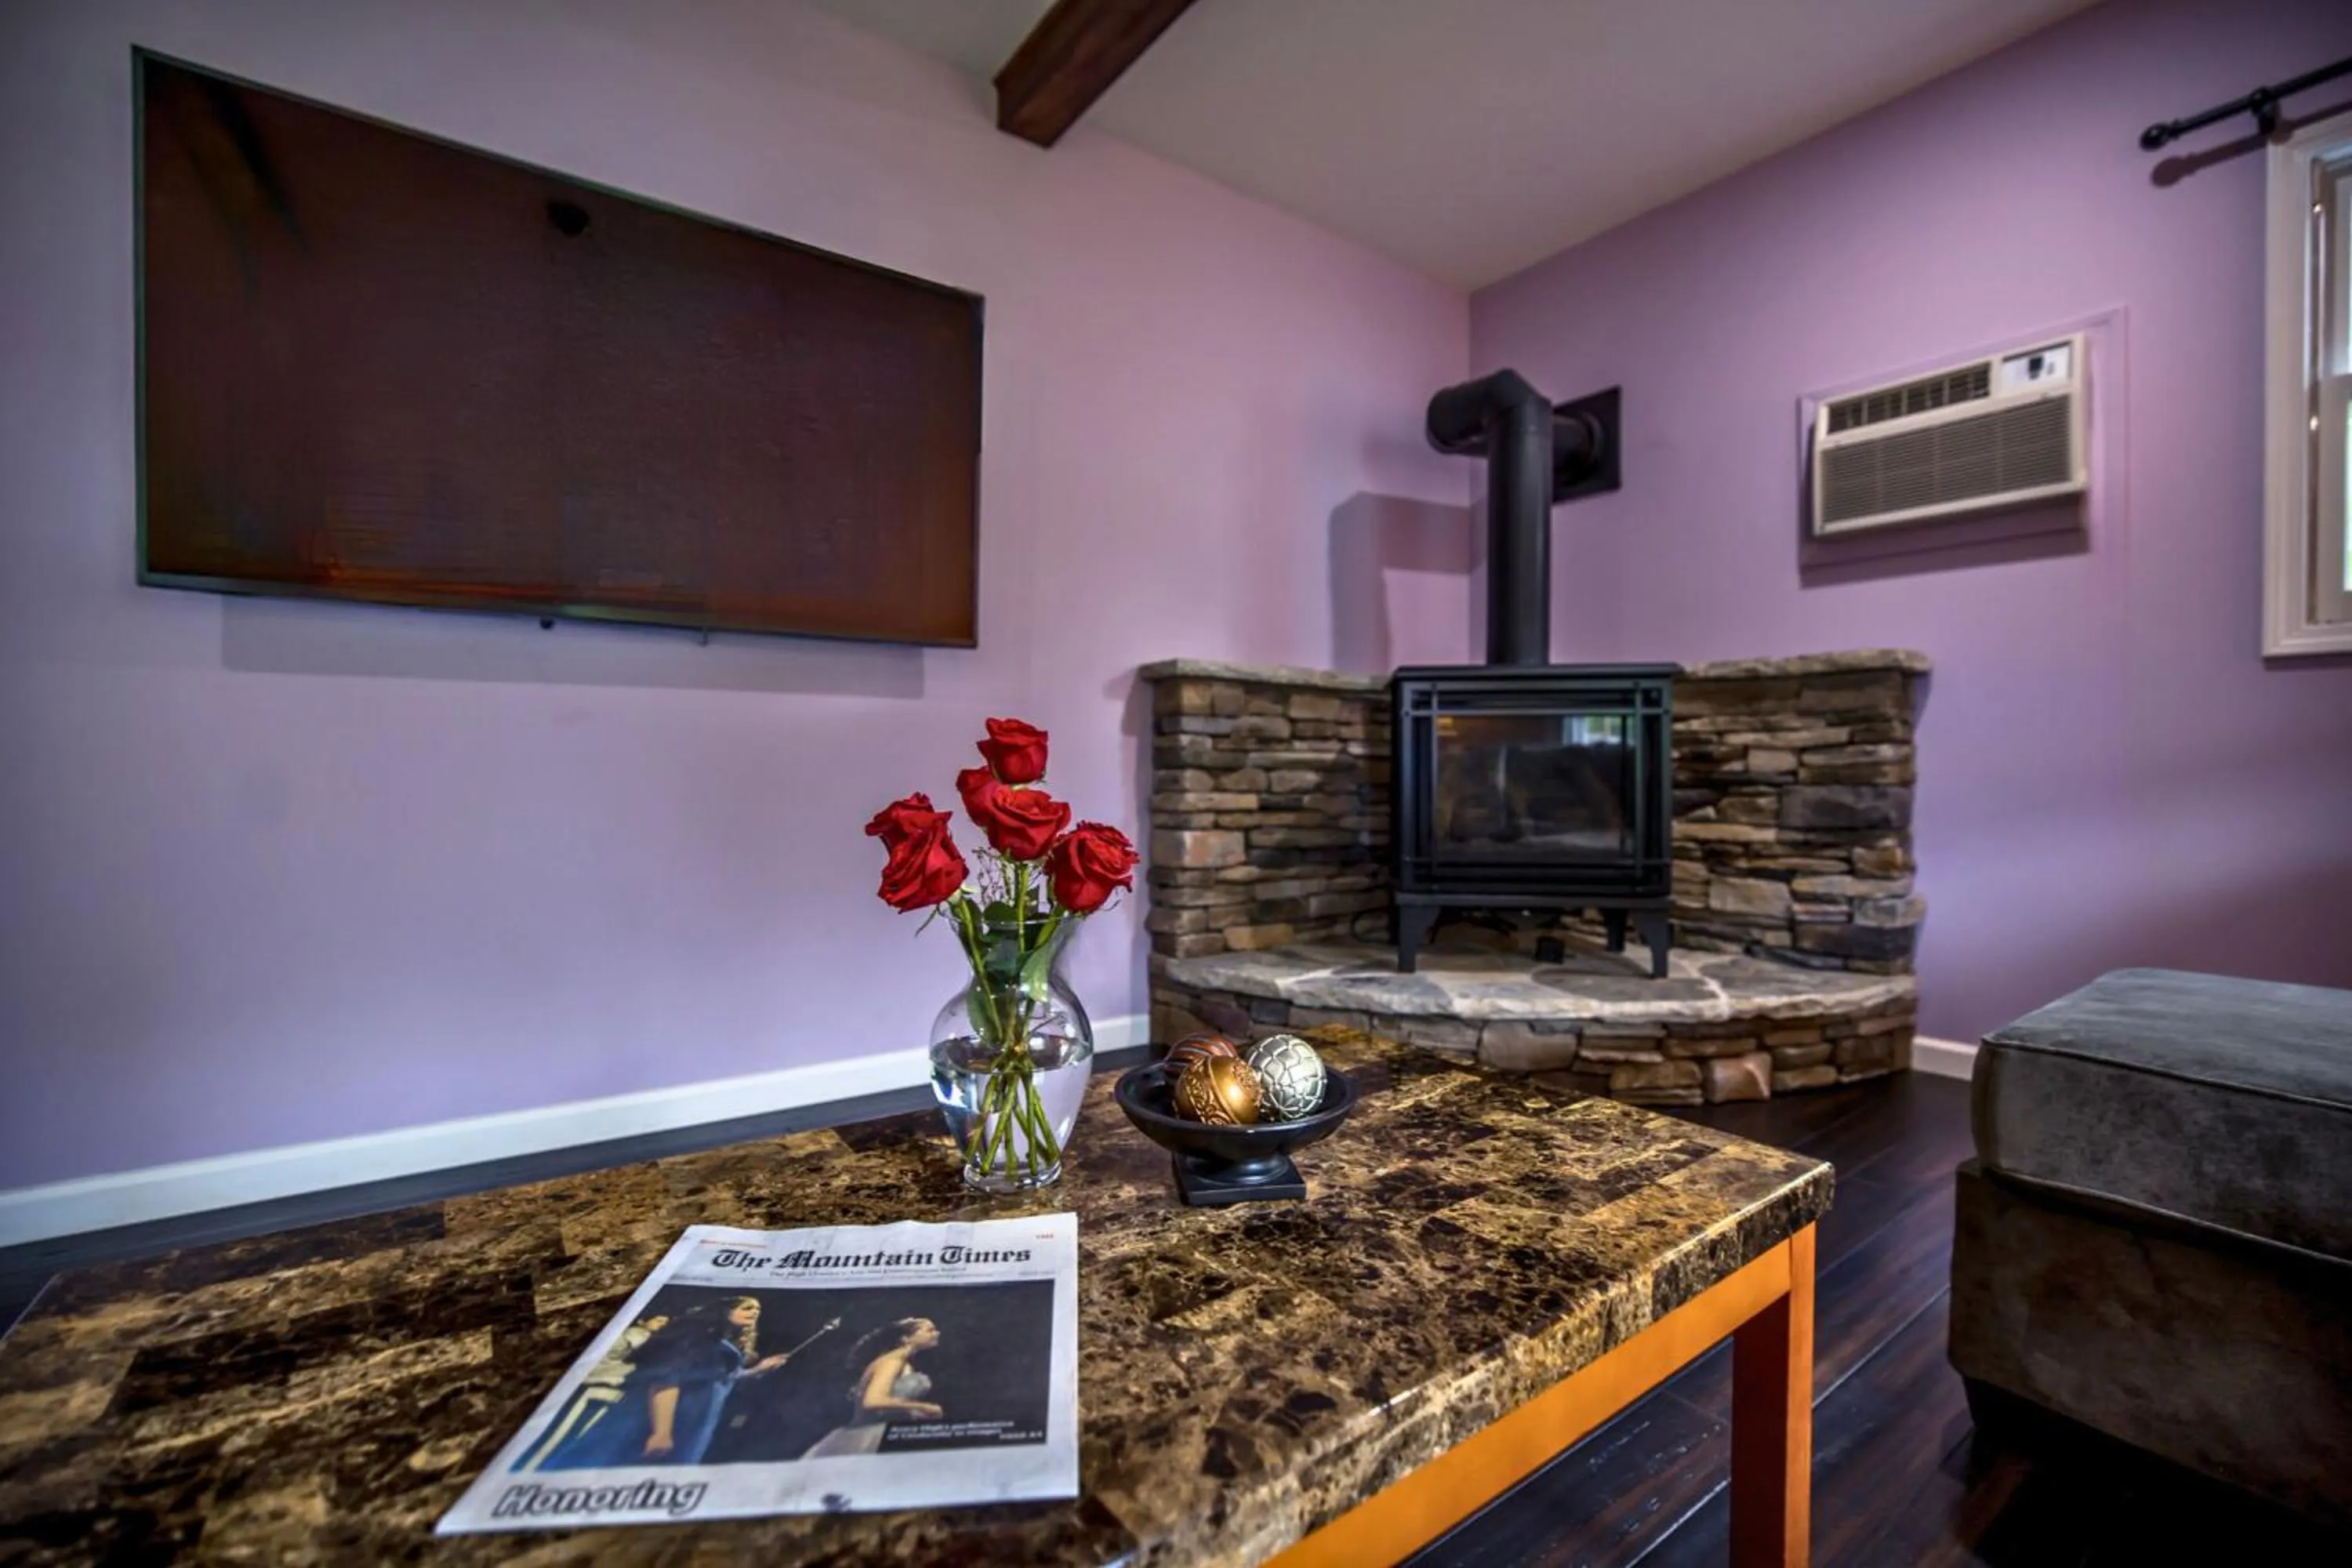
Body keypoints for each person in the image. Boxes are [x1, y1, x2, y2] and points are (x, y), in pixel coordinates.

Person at [544, 1296, 791, 1468]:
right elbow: (667, 1379)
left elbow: (717, 1379)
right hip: (661, 1419)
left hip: (694, 1424)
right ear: (725, 1309)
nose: (754, 1313)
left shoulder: (724, 1348)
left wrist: (757, 1369)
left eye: (757, 1310)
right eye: (746, 1307)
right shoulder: (695, 1337)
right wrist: (661, 1431)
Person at [516, 1312, 669, 1471]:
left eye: (665, 1321)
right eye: (658, 1320)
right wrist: (642, 1334)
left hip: (611, 1396)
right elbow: (613, 1351)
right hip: (593, 1391)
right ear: (642, 1320)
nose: (662, 1324)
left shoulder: (655, 1343)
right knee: (556, 1440)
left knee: (573, 1442)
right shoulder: (631, 1335)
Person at [801, 1317, 945, 1457]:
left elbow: (889, 1403)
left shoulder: (901, 1362)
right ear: (906, 1338)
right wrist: (924, 1407)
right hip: (867, 1436)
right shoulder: (892, 1361)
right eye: (930, 1330)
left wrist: (910, 1413)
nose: (937, 1333)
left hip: (883, 1432)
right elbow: (872, 1401)